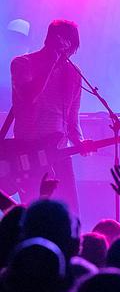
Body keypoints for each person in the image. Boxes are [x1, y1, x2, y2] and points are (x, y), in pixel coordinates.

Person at [7, 20, 86, 212]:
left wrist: (80, 142)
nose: (66, 53)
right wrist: (50, 62)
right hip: (28, 151)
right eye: (63, 46)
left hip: (59, 151)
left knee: (70, 214)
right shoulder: (22, 63)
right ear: (50, 41)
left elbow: (71, 119)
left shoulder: (73, 74)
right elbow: (28, 97)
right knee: (35, 213)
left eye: (70, 48)